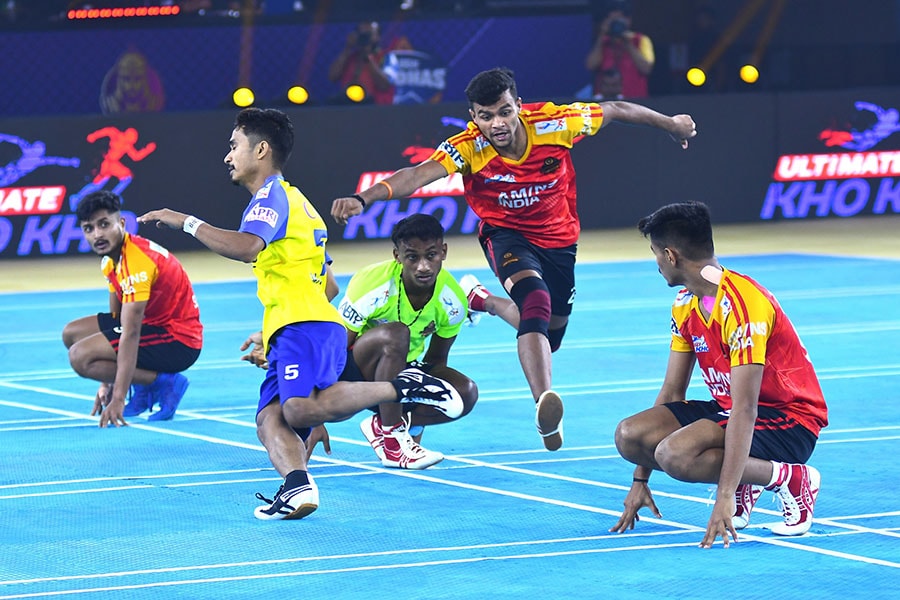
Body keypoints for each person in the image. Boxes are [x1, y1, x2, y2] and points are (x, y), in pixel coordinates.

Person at [331, 67, 697, 452]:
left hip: (559, 244)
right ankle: (544, 404)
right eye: (485, 116)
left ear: (518, 106)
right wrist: (364, 198)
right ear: (474, 117)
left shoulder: (556, 123)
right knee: (534, 304)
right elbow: (418, 175)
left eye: (504, 111)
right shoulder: (468, 146)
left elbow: (617, 108)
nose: (497, 123)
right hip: (506, 236)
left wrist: (671, 124)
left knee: (549, 337)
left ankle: (482, 299)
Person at [137, 107, 463, 520]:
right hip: (299, 325)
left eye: (233, 146)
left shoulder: (271, 196)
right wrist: (272, 328)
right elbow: (327, 285)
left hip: (301, 326)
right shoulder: (299, 204)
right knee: (269, 418)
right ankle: (296, 487)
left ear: (261, 149)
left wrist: (185, 221)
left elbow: (246, 247)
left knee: (297, 409)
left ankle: (403, 388)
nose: (227, 156)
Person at [609, 201, 828, 548]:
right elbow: (671, 393)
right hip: (735, 412)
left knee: (675, 455)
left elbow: (746, 408)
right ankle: (746, 478)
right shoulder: (686, 302)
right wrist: (640, 480)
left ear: (671, 255)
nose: (655, 263)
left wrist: (723, 496)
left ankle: (790, 478)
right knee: (630, 435)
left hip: (790, 420)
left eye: (654, 253)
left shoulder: (744, 306)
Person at [337, 213, 477, 469]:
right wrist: (314, 408)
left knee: (466, 393)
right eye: (413, 257)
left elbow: (435, 361)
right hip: (356, 370)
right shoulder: (371, 283)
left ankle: (390, 425)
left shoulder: (453, 300)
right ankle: (391, 439)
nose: (423, 266)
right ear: (397, 256)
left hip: (401, 375)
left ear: (443, 252)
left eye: (431, 255)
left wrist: (419, 423)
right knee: (397, 333)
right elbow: (337, 348)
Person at [62, 190, 202, 428]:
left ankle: (163, 382)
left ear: (122, 223)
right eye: (89, 229)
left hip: (178, 340)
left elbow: (129, 333)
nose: (97, 234)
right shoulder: (109, 261)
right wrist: (105, 380)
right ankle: (146, 387)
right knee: (71, 333)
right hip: (154, 326)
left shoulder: (136, 262)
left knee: (80, 357)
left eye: (104, 224)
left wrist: (117, 396)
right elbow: (116, 319)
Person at [584, 0, 654, 99]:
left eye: (618, 20)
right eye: (612, 20)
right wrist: (601, 36)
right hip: (606, 102)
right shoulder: (603, 41)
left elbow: (646, 68)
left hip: (635, 101)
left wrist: (628, 44)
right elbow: (590, 66)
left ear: (628, 20)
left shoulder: (641, 39)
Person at [327, 21, 394, 105]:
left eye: (368, 34)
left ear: (378, 36)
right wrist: (347, 48)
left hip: (375, 109)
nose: (364, 37)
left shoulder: (387, 57)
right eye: (361, 33)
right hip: (349, 106)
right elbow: (332, 77)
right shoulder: (350, 58)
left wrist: (367, 56)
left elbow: (384, 85)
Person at [99, 49, 165, 115]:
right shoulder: (110, 103)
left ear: (145, 79)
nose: (132, 85)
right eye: (126, 79)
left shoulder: (154, 103)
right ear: (119, 80)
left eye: (137, 79)